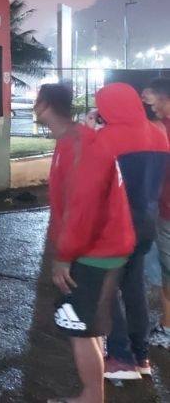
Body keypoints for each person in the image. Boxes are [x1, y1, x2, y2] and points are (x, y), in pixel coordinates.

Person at [34, 83, 135, 403]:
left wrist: (63, 257)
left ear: (44, 104)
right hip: (101, 249)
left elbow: (82, 208)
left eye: (37, 101)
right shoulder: (75, 140)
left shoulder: (79, 144)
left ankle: (90, 398)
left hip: (96, 252)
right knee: (89, 328)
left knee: (79, 329)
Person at [95, 83, 170, 380]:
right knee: (135, 288)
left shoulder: (106, 138)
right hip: (147, 221)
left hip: (115, 224)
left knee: (107, 290)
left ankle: (121, 357)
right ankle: (141, 356)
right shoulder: (159, 132)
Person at [146, 78, 170, 350]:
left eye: (152, 100)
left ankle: (168, 327)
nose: (149, 106)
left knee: (167, 272)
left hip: (167, 209)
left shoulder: (163, 129)